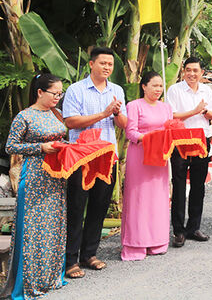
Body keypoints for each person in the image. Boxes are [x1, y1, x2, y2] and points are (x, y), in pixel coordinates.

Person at [63, 47, 127, 277]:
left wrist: (117, 113)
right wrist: (103, 113)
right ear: (91, 64)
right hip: (81, 158)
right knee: (77, 206)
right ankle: (70, 260)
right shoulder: (76, 90)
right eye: (103, 63)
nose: (107, 67)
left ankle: (89, 254)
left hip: (106, 157)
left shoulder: (117, 90)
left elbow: (123, 124)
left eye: (110, 64)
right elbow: (70, 121)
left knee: (100, 206)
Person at [2, 74, 67, 298]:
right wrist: (40, 147)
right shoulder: (24, 116)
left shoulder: (55, 113)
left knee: (52, 227)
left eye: (61, 93)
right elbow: (11, 146)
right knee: (32, 230)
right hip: (34, 178)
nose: (58, 97)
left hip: (56, 177)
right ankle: (29, 281)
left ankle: (49, 277)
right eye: (55, 93)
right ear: (40, 92)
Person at [166, 56, 212, 247]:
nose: (192, 74)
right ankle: (178, 231)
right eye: (188, 70)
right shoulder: (175, 90)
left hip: (202, 140)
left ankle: (194, 227)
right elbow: (170, 115)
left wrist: (204, 112)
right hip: (180, 141)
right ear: (183, 71)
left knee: (198, 185)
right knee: (179, 185)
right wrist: (195, 111)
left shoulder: (207, 90)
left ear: (201, 72)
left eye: (196, 70)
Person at [121, 71, 173, 261]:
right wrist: (152, 138)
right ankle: (136, 244)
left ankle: (158, 241)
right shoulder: (134, 106)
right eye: (154, 85)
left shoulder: (166, 107)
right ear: (144, 86)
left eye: (160, 86)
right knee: (139, 198)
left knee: (158, 199)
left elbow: (170, 130)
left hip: (160, 158)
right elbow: (131, 133)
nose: (158, 89)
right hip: (140, 157)